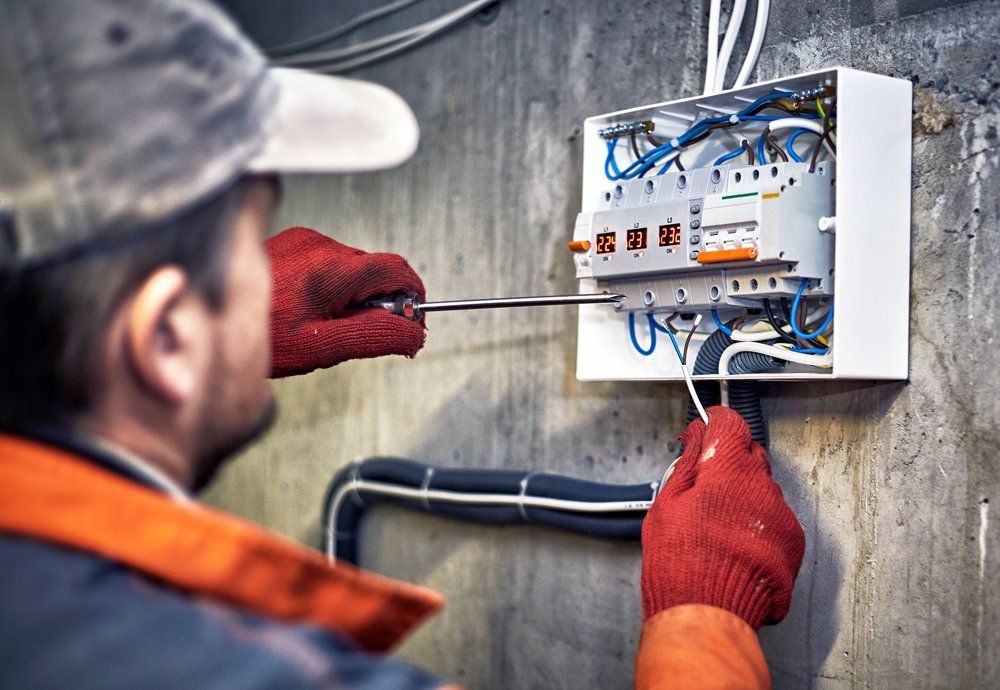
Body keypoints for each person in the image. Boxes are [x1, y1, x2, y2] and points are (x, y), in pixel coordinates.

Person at [0, 1, 805, 688]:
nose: (268, 268)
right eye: (251, 248)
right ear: (164, 335)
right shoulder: (198, 664)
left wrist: (228, 334)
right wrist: (706, 618)